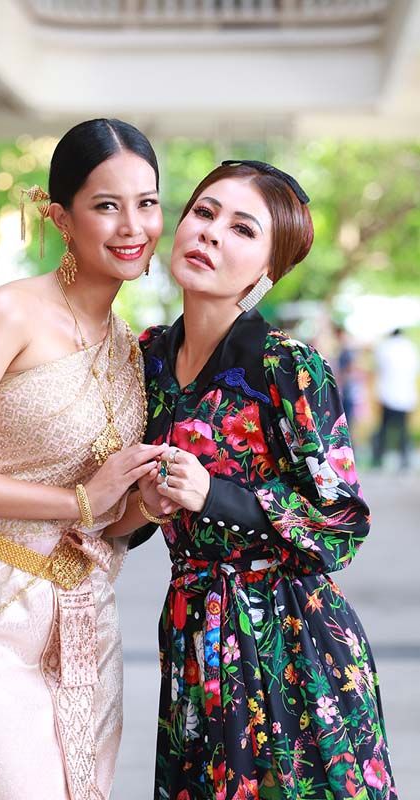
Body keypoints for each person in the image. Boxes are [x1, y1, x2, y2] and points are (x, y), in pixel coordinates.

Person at [117, 161, 397, 799]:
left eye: (243, 229)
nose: (211, 233)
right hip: (193, 636)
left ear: (266, 272)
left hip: (292, 645)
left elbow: (342, 524)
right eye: (204, 212)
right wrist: (145, 504)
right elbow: (127, 523)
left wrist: (214, 496)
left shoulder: (289, 369)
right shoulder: (146, 360)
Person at [0, 118, 166, 800]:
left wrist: (144, 506)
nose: (132, 226)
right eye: (106, 205)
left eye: (146, 203)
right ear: (60, 218)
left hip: (84, 624)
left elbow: (107, 518)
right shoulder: (9, 314)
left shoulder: (130, 348)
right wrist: (76, 501)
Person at [372, 327, 419, 470]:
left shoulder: (385, 347)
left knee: (384, 427)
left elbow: (378, 368)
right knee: (403, 429)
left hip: (387, 394)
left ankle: (378, 458)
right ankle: (404, 459)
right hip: (405, 395)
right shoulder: (410, 348)